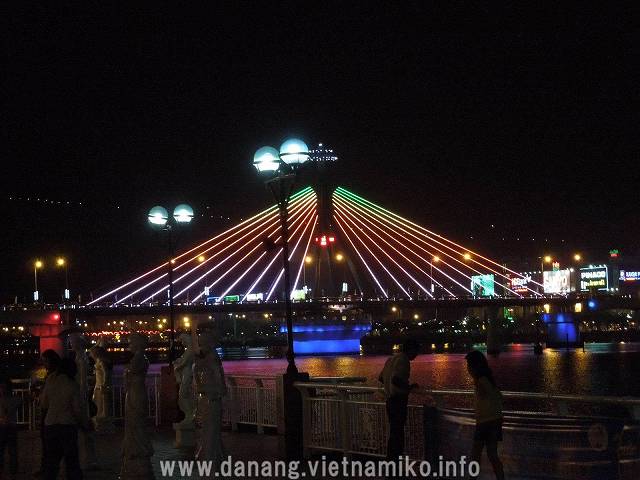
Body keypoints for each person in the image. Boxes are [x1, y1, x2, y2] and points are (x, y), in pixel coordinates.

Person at [40, 357, 91, 480]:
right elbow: (77, 410)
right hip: (67, 426)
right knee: (71, 461)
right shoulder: (72, 385)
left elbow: (44, 403)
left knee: (52, 461)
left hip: (50, 425)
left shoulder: (51, 381)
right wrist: (85, 423)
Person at [378, 339, 420, 459]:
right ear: (411, 350)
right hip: (398, 401)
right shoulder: (403, 360)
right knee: (398, 432)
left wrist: (388, 387)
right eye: (416, 352)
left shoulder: (391, 359)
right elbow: (396, 379)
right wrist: (409, 387)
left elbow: (381, 378)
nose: (416, 355)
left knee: (394, 431)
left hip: (390, 400)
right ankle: (396, 459)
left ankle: (391, 459)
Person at [465, 350, 504, 480]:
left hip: (485, 422)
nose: (467, 368)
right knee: (492, 454)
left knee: (476, 454)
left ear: (474, 366)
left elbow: (492, 397)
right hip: (494, 420)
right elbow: (499, 397)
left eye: (469, 365)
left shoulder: (481, 380)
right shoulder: (487, 379)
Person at [34, 349, 62, 477]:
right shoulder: (57, 376)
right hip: (54, 413)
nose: (44, 364)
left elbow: (45, 398)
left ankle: (47, 469)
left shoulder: (51, 377)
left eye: (45, 361)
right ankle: (47, 468)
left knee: (48, 443)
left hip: (49, 413)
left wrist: (40, 394)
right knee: (49, 444)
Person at [0, 378, 21, 477]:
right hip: (11, 427)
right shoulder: (15, 399)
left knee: (3, 449)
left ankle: (5, 468)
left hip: (3, 427)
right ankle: (13, 469)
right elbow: (23, 400)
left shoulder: (3, 399)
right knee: (12, 450)